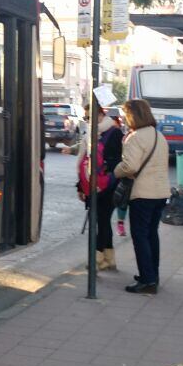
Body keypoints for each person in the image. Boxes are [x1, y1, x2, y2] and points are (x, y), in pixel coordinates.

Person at [114, 99, 170, 294]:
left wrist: (115, 171)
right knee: (151, 234)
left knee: (140, 236)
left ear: (133, 115)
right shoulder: (159, 135)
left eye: (125, 114)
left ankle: (147, 281)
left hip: (142, 194)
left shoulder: (135, 137)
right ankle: (152, 274)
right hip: (160, 193)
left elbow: (130, 166)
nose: (123, 118)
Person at [76, 107, 124, 271]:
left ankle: (96, 259)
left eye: (91, 117)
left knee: (101, 222)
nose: (88, 120)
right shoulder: (91, 134)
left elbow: (117, 161)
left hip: (107, 186)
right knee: (102, 222)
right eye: (86, 117)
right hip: (92, 186)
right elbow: (84, 163)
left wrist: (103, 173)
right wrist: (80, 187)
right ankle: (109, 259)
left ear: (101, 115)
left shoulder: (114, 133)